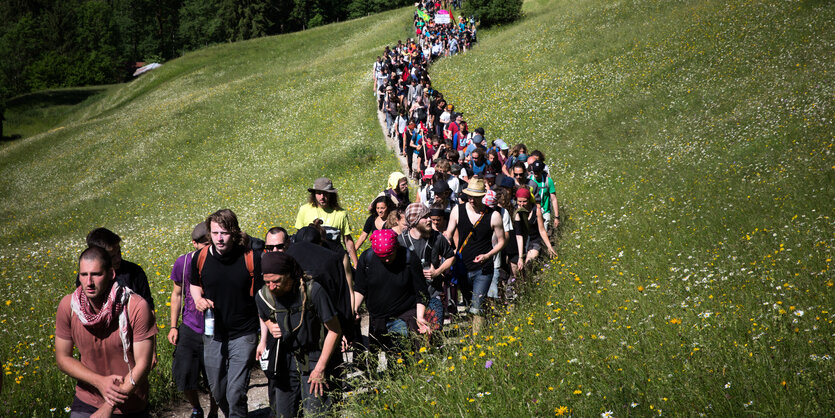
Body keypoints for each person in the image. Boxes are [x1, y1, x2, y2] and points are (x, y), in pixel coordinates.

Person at [55, 246, 157, 417]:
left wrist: (108, 406)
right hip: (86, 400)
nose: (89, 282)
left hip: (129, 403)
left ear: (111, 274)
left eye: (96, 274)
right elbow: (62, 358)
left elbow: (143, 364)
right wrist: (100, 382)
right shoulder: (69, 307)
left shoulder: (135, 307)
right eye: (84, 275)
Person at [189, 209, 263, 418]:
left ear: (234, 232)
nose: (219, 239)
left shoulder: (250, 258)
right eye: (215, 233)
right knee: (218, 391)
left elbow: (261, 300)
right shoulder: (200, 258)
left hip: (244, 333)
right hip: (213, 334)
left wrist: (263, 337)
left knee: (235, 392)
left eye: (224, 233)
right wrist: (198, 300)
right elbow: (195, 285)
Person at [256, 252, 342, 418]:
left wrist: (320, 368)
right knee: (283, 413)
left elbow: (334, 330)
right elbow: (263, 314)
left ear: (289, 275)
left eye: (276, 281)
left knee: (317, 413)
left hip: (315, 358)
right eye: (267, 282)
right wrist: (271, 325)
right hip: (285, 362)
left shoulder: (313, 291)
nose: (272, 287)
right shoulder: (264, 295)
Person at [168, 223, 219, 418]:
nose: (207, 249)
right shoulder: (183, 262)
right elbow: (177, 294)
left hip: (215, 328)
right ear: (194, 243)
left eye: (210, 244)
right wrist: (173, 326)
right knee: (184, 374)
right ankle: (197, 408)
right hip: (190, 326)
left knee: (214, 376)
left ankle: (214, 411)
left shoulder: (218, 261)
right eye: (204, 244)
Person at [444, 178, 506, 332]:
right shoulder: (457, 210)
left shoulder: (494, 216)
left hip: (484, 268)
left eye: (475, 196)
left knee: (477, 306)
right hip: (462, 267)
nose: (471, 199)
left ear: (482, 196)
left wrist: (488, 255)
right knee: (470, 304)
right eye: (469, 196)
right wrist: (446, 250)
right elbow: (449, 233)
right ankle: (480, 330)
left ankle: (476, 342)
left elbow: (501, 241)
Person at [353, 230, 430, 351]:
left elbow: (421, 292)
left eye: (390, 255)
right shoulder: (366, 259)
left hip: (403, 316)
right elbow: (360, 288)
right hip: (377, 318)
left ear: (397, 247)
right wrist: (355, 308)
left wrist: (420, 317)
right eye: (382, 257)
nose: (387, 260)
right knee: (377, 356)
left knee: (400, 355)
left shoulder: (409, 259)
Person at [397, 204, 455, 330]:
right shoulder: (401, 241)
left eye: (429, 215)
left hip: (433, 293)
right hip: (410, 298)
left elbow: (451, 257)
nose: (429, 219)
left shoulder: (437, 237)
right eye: (424, 217)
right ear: (414, 221)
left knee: (434, 330)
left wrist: (438, 271)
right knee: (417, 335)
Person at [77, 228, 154, 310]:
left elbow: (148, 305)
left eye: (119, 252)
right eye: (112, 256)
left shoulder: (135, 272)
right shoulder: (86, 278)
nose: (118, 259)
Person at [294, 178, 358, 266]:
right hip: (310, 259)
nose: (322, 197)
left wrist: (356, 263)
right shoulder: (304, 210)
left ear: (331, 194)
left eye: (325, 193)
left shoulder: (340, 214)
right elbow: (299, 237)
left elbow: (347, 240)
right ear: (314, 194)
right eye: (319, 193)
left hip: (334, 260)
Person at [515, 188, 557, 263]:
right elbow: (518, 235)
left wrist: (549, 246)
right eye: (519, 201)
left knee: (529, 262)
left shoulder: (536, 210)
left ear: (529, 200)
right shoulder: (516, 212)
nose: (521, 204)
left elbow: (542, 230)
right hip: (520, 240)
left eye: (524, 201)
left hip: (534, 240)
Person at [529, 160, 560, 230]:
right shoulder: (528, 180)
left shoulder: (548, 181)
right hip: (531, 210)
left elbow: (554, 199)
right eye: (534, 171)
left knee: (543, 233)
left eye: (538, 171)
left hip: (545, 211)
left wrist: (556, 217)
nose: (536, 173)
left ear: (542, 170)